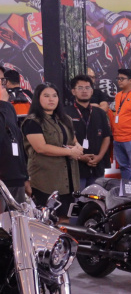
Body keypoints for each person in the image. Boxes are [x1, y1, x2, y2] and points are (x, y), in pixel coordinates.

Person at [21, 83, 83, 215]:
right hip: (46, 181)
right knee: (48, 219)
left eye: (54, 96)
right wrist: (70, 152)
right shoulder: (32, 121)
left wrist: (78, 147)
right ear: (37, 98)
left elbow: (74, 140)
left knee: (67, 218)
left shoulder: (66, 119)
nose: (51, 99)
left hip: (70, 180)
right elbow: (41, 148)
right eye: (46, 96)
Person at [64, 75, 111, 189]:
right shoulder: (65, 113)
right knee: (77, 198)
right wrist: (81, 157)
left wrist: (99, 157)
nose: (84, 91)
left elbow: (106, 136)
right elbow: (63, 140)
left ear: (92, 91)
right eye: (80, 88)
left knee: (97, 198)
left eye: (87, 87)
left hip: (97, 166)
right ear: (73, 91)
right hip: (76, 166)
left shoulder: (100, 113)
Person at [0, 68, 30, 203]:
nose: (3, 85)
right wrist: (2, 104)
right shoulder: (4, 105)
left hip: (16, 178)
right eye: (0, 81)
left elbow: (17, 140)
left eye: (3, 80)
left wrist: (25, 176)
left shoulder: (9, 107)